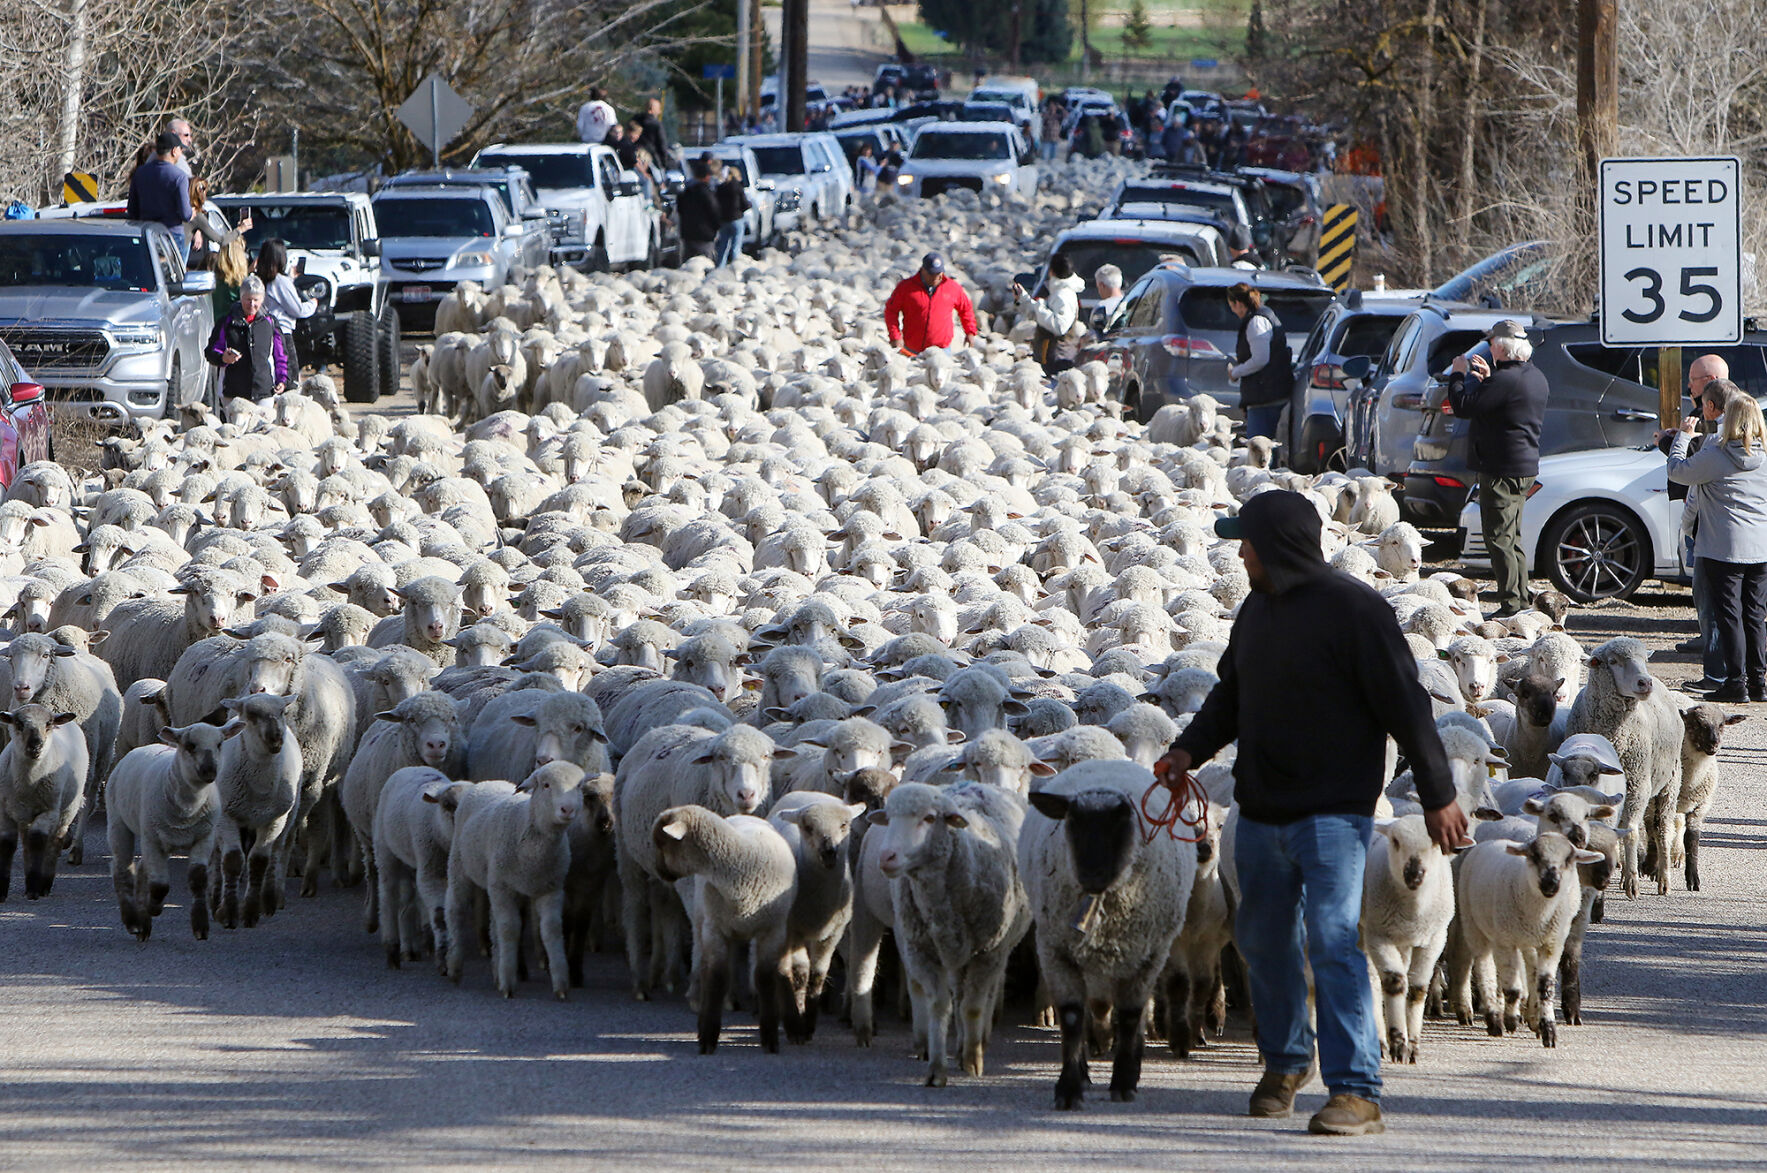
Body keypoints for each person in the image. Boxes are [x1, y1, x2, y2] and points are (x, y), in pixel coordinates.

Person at [1154, 489, 1463, 1138]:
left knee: (1330, 939)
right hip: (1260, 810)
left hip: (1333, 813)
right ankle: (1287, 1061)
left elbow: (1407, 708)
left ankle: (1355, 1090)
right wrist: (1187, 749)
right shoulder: (1254, 614)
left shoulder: (1356, 612)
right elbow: (1229, 695)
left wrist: (1437, 795)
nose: (1240, 553)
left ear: (1279, 544)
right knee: (1262, 941)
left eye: (1248, 542)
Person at [1665, 382, 1767, 703]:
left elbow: (1677, 471)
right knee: (1755, 615)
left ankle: (1735, 682)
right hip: (1760, 547)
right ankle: (1759, 682)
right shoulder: (1764, 457)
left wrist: (1682, 436)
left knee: (1729, 616)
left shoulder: (1717, 454)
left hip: (1723, 547)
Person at [1445, 320, 1549, 617]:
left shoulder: (1506, 380)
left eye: (1491, 343)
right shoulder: (1534, 376)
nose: (1489, 348)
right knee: (1511, 536)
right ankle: (1521, 600)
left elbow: (1462, 405)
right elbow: (1503, 404)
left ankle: (1512, 605)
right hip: (1523, 466)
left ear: (1503, 347)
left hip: (1501, 469)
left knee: (1499, 538)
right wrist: (1488, 379)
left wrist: (1458, 374)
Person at [1668, 355, 1731, 670]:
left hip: (1711, 525)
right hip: (1742, 532)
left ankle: (1717, 664)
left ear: (1708, 382)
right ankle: (1735, 662)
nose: (1687, 386)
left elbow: (1684, 472)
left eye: (1692, 380)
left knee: (1710, 596)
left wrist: (1677, 438)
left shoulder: (1715, 435)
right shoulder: (1748, 438)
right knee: (1732, 602)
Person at [1225, 283, 1292, 441]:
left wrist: (1236, 372)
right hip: (1269, 393)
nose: (1232, 311)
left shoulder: (1256, 322)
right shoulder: (1262, 316)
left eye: (1231, 306)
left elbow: (1260, 359)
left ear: (1239, 304)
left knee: (1258, 446)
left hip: (1266, 397)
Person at [206, 275, 287, 404]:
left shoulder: (270, 323)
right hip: (232, 392)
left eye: (256, 300)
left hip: (263, 391)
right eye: (248, 299)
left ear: (262, 299)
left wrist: (282, 379)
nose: (252, 304)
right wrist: (223, 358)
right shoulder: (226, 322)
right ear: (241, 297)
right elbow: (210, 352)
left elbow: (280, 354)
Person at [884, 252, 978, 355]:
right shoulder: (906, 288)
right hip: (911, 350)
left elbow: (966, 309)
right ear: (923, 270)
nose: (935, 278)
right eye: (931, 274)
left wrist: (970, 332)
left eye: (938, 274)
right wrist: (895, 336)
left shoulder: (952, 288)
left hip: (941, 351)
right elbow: (891, 311)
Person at [255, 239, 317, 376]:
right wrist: (313, 304)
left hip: (262, 333)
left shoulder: (257, 280)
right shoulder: (281, 281)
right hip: (282, 334)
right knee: (290, 377)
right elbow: (298, 310)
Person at [1015, 254, 1084, 375]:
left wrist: (1038, 306)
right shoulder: (1058, 292)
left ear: (1051, 271)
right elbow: (1043, 314)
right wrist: (1024, 299)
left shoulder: (1063, 295)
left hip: (1058, 358)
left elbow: (1060, 326)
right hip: (1051, 355)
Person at [126, 131, 192, 257]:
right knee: (175, 276)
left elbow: (132, 210)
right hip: (172, 235)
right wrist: (192, 212)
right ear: (173, 151)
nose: (180, 153)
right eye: (180, 149)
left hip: (146, 234)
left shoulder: (140, 173)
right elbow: (185, 214)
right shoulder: (179, 177)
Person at [185, 177, 251, 271]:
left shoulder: (179, 211)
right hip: (178, 261)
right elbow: (221, 240)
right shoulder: (196, 216)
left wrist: (198, 230)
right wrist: (241, 229)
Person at [676, 159, 722, 262]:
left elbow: (680, 210)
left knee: (689, 264)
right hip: (704, 235)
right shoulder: (707, 193)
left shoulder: (685, 192)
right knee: (705, 264)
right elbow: (714, 212)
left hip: (688, 234)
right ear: (706, 177)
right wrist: (717, 227)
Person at [709, 155, 748, 266]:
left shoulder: (720, 188)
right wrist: (744, 208)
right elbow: (744, 203)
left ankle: (720, 267)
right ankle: (736, 268)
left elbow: (716, 203)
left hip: (724, 220)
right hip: (737, 219)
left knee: (723, 247)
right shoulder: (738, 187)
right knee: (736, 247)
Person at [633, 97, 668, 164]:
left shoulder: (635, 120)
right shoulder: (656, 125)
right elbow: (662, 145)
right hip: (651, 160)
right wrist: (664, 162)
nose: (660, 112)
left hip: (633, 157)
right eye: (658, 109)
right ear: (651, 109)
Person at [1090, 264, 1124, 332]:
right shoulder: (1130, 302)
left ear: (1101, 285)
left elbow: (1095, 333)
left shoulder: (1101, 307)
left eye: (1098, 287)